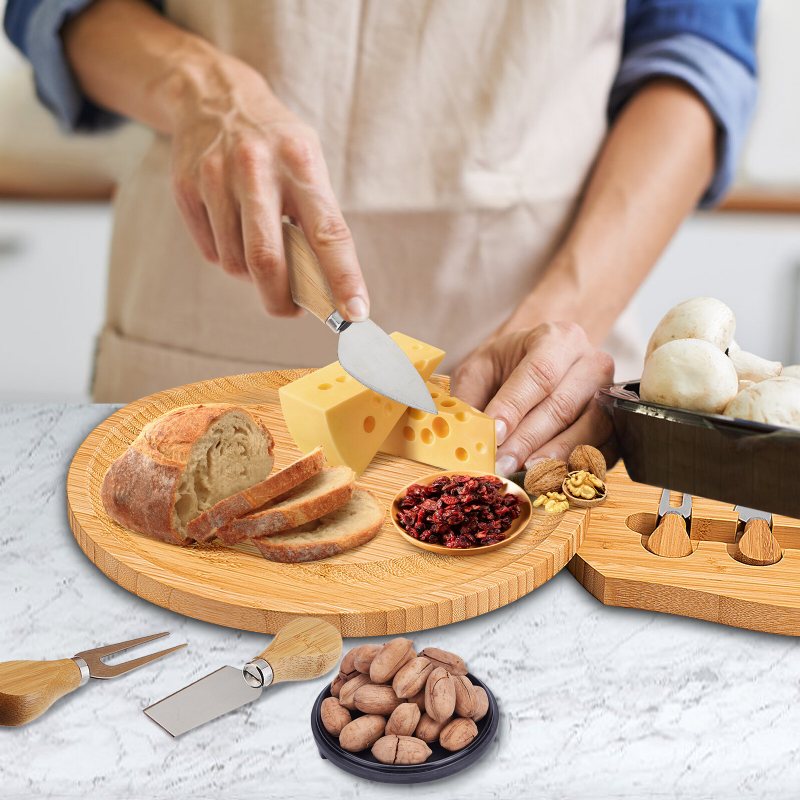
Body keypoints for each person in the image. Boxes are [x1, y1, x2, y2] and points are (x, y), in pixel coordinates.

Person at [4, 0, 757, 475]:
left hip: (542, 330)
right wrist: (200, 89)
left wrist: (567, 311)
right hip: (203, 306)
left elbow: (697, 52)